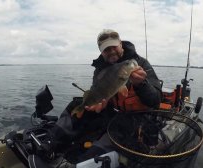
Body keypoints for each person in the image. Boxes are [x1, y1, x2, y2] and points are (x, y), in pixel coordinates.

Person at [52, 29, 162, 164]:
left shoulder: (141, 64)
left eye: (113, 46)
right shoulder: (100, 69)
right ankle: (51, 144)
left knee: (110, 138)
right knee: (75, 105)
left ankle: (92, 157)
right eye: (106, 49)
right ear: (101, 51)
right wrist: (100, 106)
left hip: (138, 118)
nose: (111, 51)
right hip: (113, 114)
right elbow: (97, 93)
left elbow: (156, 100)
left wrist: (141, 84)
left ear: (120, 44)